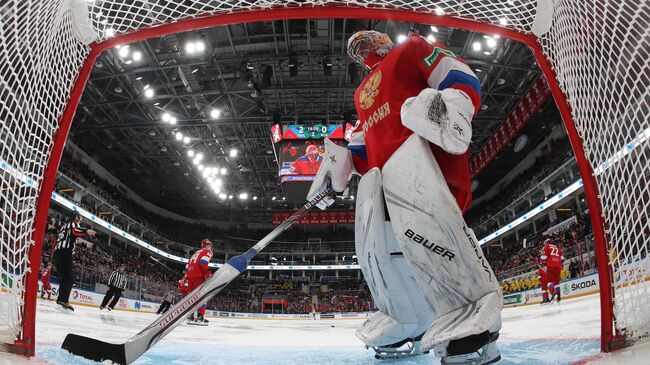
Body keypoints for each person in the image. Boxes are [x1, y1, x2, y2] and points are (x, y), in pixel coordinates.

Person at [307, 31, 501, 363]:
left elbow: (455, 74)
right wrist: (341, 163)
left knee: (432, 237)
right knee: (382, 251)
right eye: (356, 46)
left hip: (427, 161)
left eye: (366, 39)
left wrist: (453, 105)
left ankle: (472, 313)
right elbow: (367, 141)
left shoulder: (411, 48)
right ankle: (407, 317)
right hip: (384, 181)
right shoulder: (361, 93)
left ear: (382, 37)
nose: (361, 46)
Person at [52, 211, 96, 311]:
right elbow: (75, 231)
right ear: (75, 217)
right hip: (65, 253)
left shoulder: (63, 227)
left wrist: (54, 257)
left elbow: (55, 242)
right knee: (69, 278)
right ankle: (63, 300)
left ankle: (61, 299)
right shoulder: (73, 223)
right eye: (79, 217)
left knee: (65, 277)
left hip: (57, 253)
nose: (80, 219)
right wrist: (86, 231)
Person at [178, 239, 213, 323]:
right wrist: (207, 273)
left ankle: (190, 317)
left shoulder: (196, 252)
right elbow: (203, 262)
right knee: (202, 296)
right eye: (210, 245)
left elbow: (187, 267)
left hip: (190, 275)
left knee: (192, 297)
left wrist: (187, 276)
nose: (211, 247)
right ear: (207, 245)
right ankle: (200, 317)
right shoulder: (208, 252)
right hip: (198, 276)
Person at [541, 238, 564, 303]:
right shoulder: (558, 248)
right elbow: (562, 259)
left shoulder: (546, 247)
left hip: (551, 266)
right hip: (558, 266)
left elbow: (543, 258)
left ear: (547, 243)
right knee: (557, 283)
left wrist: (544, 260)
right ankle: (559, 297)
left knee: (549, 282)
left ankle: (554, 294)